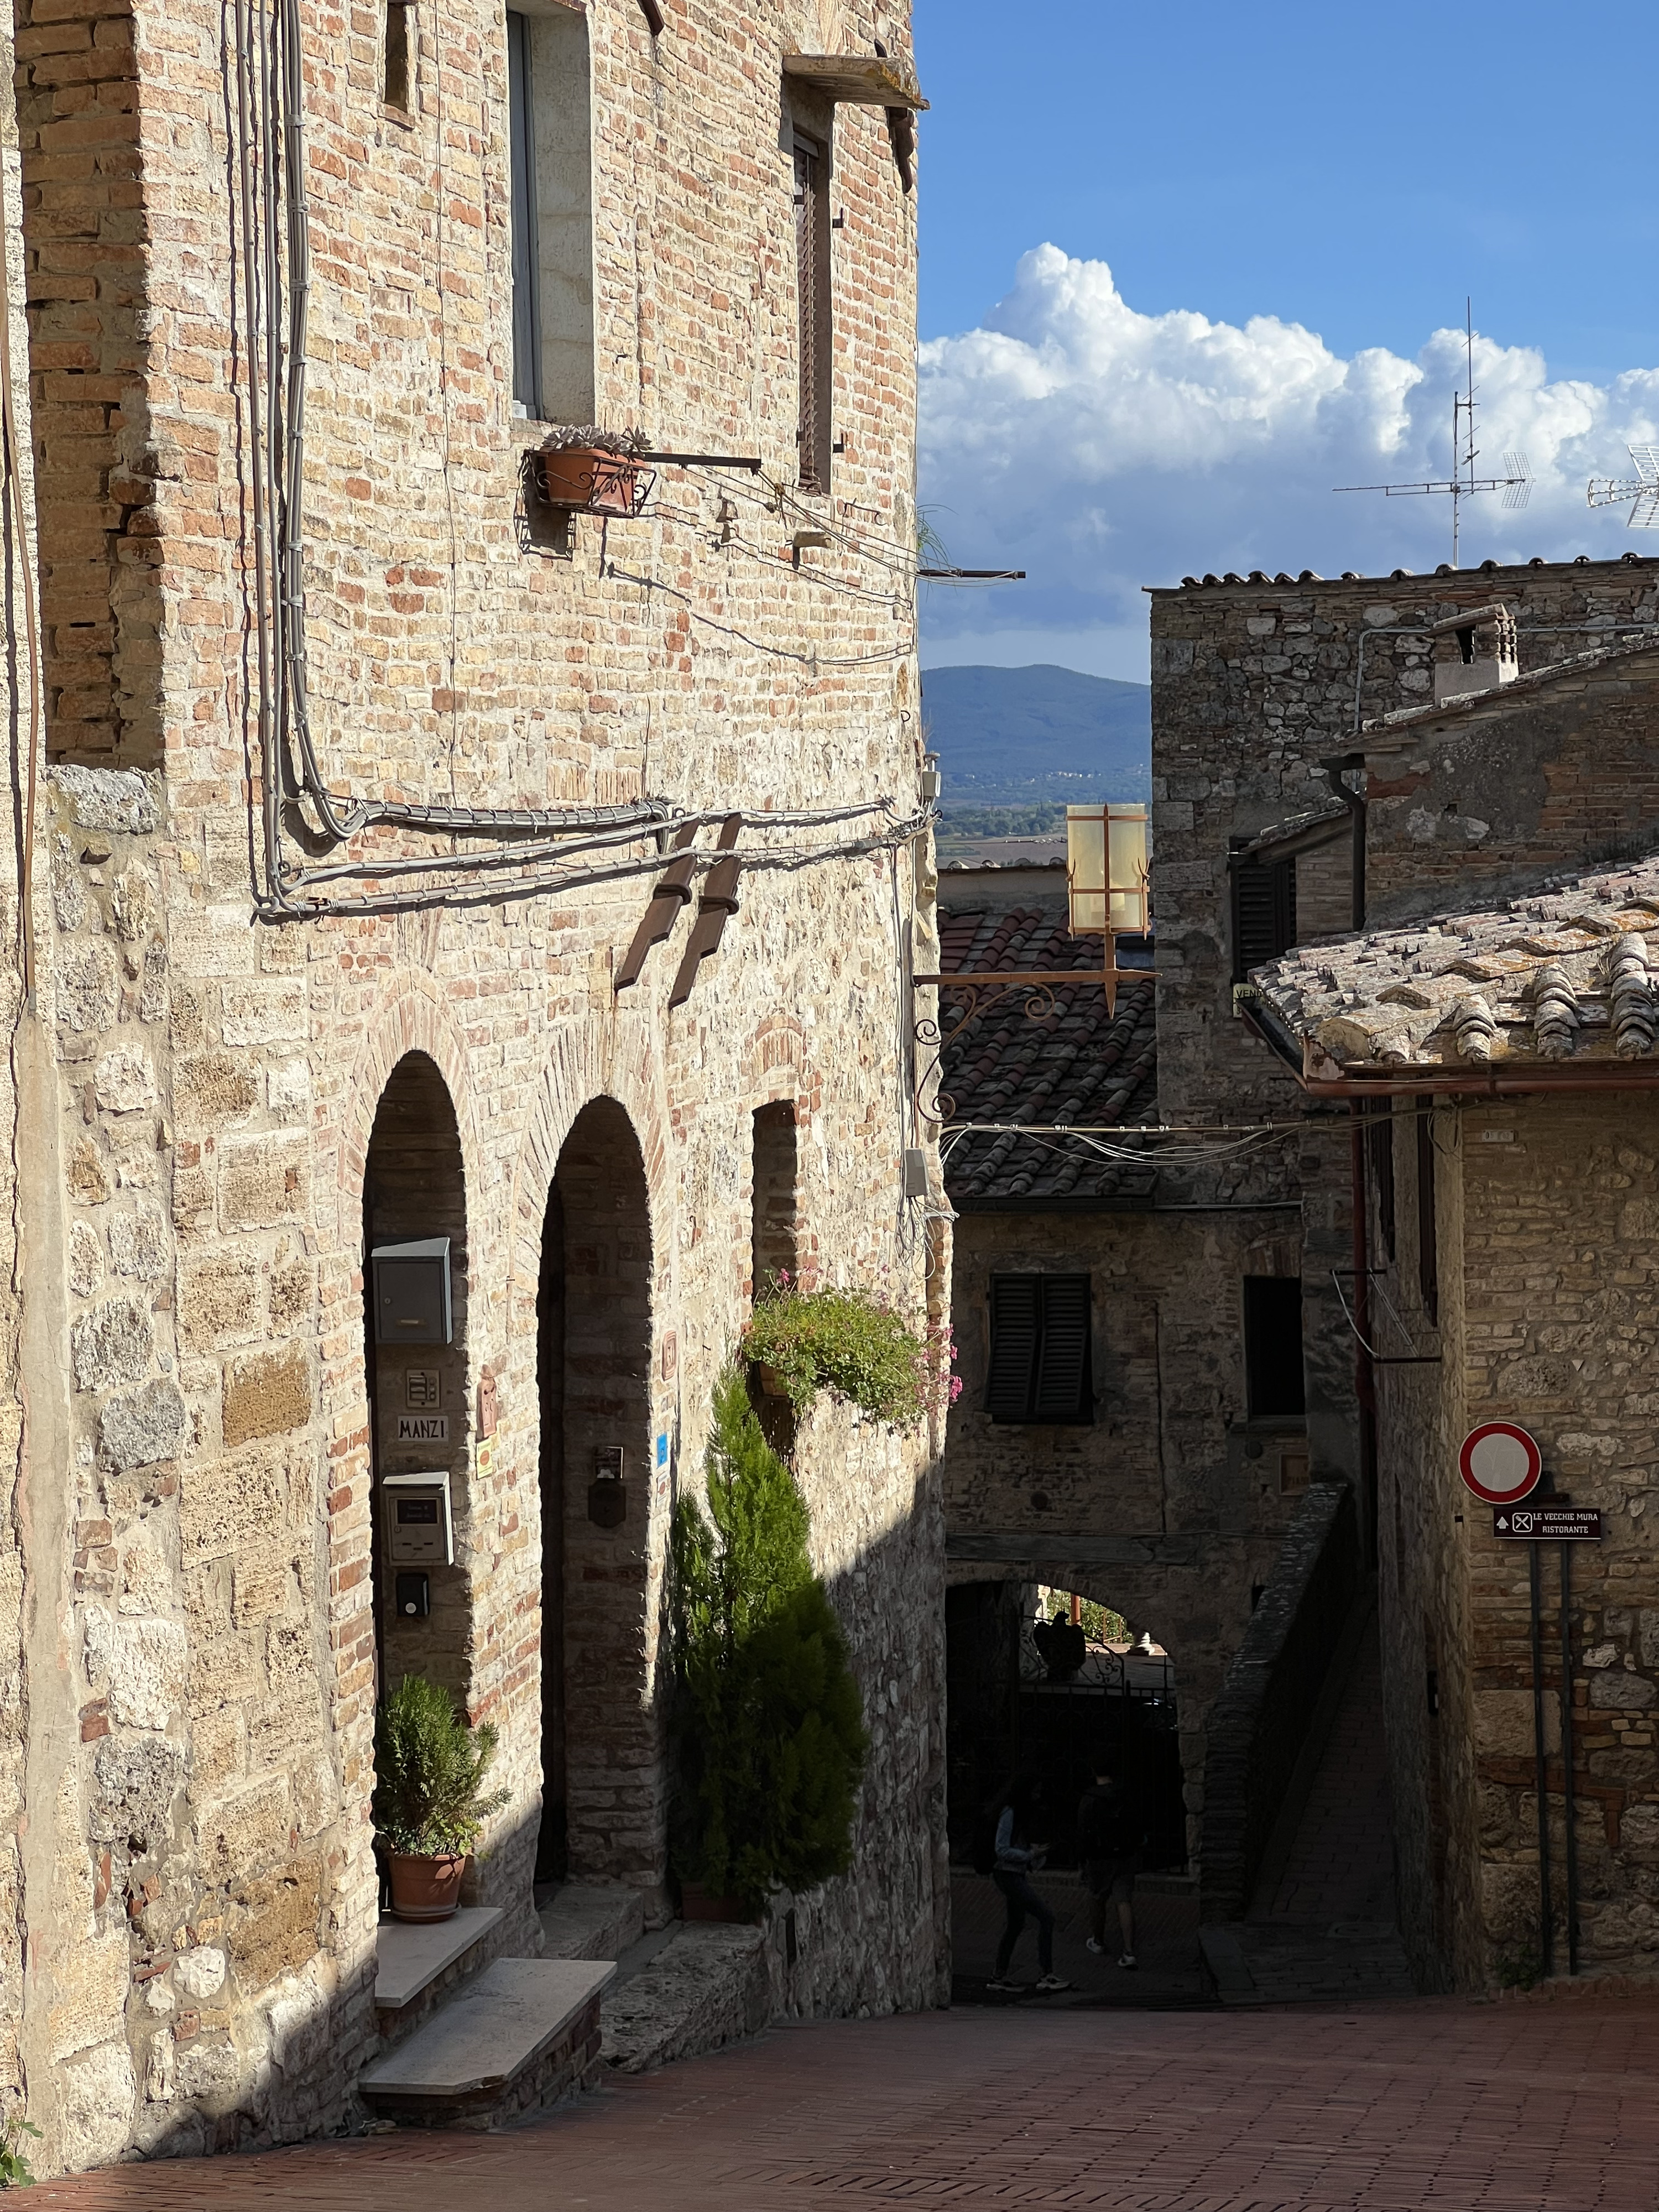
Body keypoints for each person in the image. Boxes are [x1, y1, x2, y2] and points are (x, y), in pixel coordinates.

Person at [985, 1773, 1070, 1994]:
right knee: (1046, 1917)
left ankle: (999, 1974)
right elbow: (1001, 1849)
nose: (1037, 1796)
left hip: (1014, 1873)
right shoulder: (1010, 1812)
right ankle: (1046, 1973)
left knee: (1016, 1924)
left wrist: (1035, 1855)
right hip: (1008, 1874)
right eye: (1034, 1792)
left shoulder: (1019, 1814)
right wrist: (1030, 1854)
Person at [1076, 1759, 1142, 1969]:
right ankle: (1129, 1951)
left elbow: (1082, 1831)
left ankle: (1098, 1940)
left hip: (1099, 1857)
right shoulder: (1125, 1795)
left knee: (1097, 1898)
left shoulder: (1089, 1799)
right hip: (1124, 1854)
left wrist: (1082, 1860)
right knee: (1124, 1900)